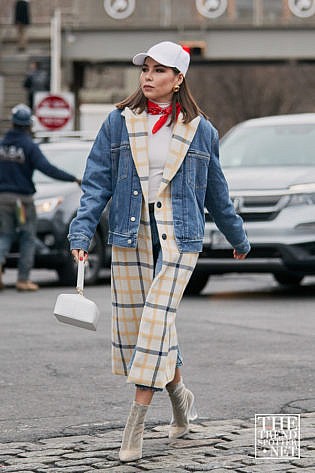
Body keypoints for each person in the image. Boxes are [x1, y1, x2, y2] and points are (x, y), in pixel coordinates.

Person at [68, 41, 250, 462]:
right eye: (145, 69)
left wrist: (238, 239)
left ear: (179, 78)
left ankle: (134, 425)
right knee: (141, 331)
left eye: (159, 70)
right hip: (131, 234)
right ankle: (181, 402)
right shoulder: (119, 122)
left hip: (180, 238)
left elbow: (217, 195)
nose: (148, 77)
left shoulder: (201, 130)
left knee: (153, 323)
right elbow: (96, 182)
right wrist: (81, 235)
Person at [0, 104, 81, 292]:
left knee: (4, 234)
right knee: (28, 237)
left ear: (13, 123)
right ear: (29, 125)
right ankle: (23, 279)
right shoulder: (29, 146)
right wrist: (73, 178)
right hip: (22, 201)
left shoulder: (2, 145)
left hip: (2, 199)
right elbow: (47, 168)